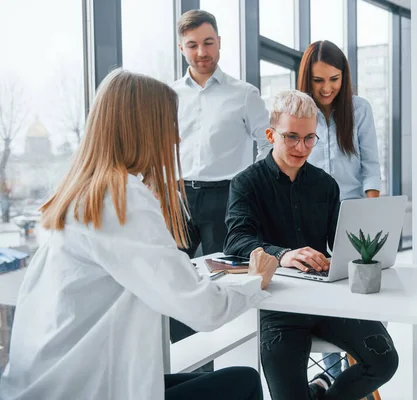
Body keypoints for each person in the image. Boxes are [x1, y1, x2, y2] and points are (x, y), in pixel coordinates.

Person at [0, 69, 278, 400]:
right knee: (242, 383)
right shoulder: (121, 198)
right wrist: (255, 282)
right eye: (171, 126)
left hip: (51, 381)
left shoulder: (86, 191)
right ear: (144, 130)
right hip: (82, 389)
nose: (177, 139)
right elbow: (204, 311)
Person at [224, 90, 398, 400]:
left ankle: (320, 392)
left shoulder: (325, 184)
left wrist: (361, 249)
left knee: (385, 362)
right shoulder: (246, 183)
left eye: (309, 138)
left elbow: (339, 241)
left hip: (327, 298)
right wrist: (283, 255)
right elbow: (236, 240)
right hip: (278, 305)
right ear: (270, 134)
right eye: (291, 137)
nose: (301, 147)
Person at [170, 9, 271, 346]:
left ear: (220, 43)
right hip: (180, 198)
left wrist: (249, 185)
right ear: (182, 48)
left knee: (220, 283)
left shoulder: (244, 94)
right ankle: (181, 362)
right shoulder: (169, 95)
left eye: (208, 42)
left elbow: (267, 143)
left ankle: (217, 358)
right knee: (174, 280)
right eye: (193, 45)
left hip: (225, 197)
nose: (202, 52)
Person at [297, 39, 383, 378]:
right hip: (309, 215)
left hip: (353, 214)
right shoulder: (298, 111)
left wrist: (371, 215)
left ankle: (364, 361)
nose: (327, 87)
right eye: (318, 80)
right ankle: (333, 378)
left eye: (334, 78)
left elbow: (371, 166)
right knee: (322, 295)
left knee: (360, 294)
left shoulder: (359, 109)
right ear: (307, 79)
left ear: (344, 76)